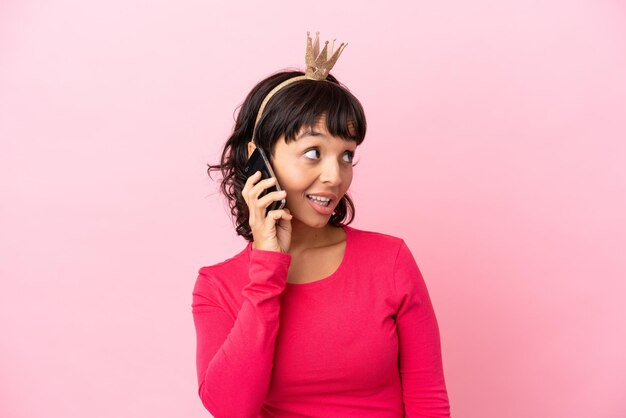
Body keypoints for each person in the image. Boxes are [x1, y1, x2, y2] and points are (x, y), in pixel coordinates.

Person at [192, 32, 452, 417]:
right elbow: (231, 410)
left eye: (346, 155)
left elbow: (428, 399)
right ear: (259, 158)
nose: (335, 176)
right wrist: (266, 269)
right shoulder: (218, 287)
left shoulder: (390, 260)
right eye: (313, 152)